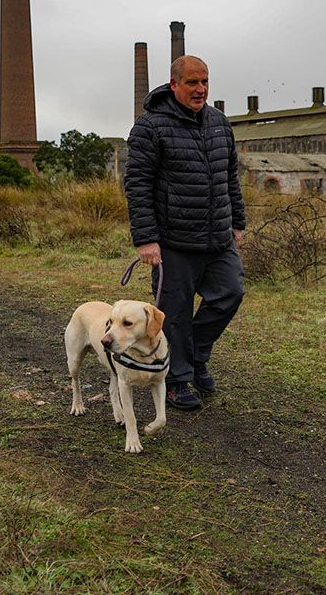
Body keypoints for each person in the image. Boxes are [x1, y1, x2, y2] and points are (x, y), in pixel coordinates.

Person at [124, 55, 246, 410]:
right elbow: (138, 185)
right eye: (192, 82)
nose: (201, 89)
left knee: (230, 293)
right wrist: (146, 239)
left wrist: (237, 221)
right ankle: (177, 379)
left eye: (205, 81)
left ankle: (195, 357)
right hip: (173, 240)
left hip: (217, 237)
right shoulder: (150, 127)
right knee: (173, 312)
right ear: (174, 84)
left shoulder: (220, 123)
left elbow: (229, 177)